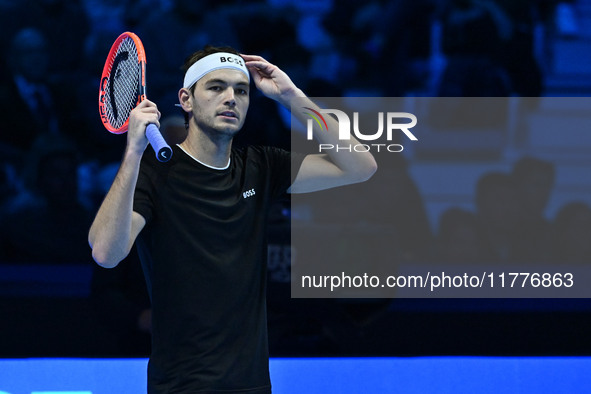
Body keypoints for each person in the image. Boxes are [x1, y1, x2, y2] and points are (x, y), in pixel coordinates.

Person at [88, 46, 377, 393]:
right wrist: (134, 152)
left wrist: (292, 96)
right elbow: (106, 252)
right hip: (181, 385)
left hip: (252, 385)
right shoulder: (155, 173)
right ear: (186, 100)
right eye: (216, 87)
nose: (231, 98)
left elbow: (360, 166)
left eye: (241, 90)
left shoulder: (260, 166)